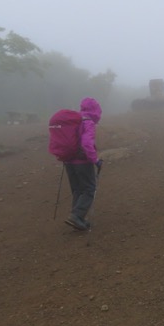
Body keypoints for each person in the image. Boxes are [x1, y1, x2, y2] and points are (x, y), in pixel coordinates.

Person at [64, 97, 103, 231]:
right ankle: (76, 216)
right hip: (82, 161)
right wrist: (95, 160)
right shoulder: (88, 122)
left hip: (68, 160)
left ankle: (77, 218)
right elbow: (87, 143)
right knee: (89, 189)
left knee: (78, 190)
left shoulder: (73, 120)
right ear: (96, 110)